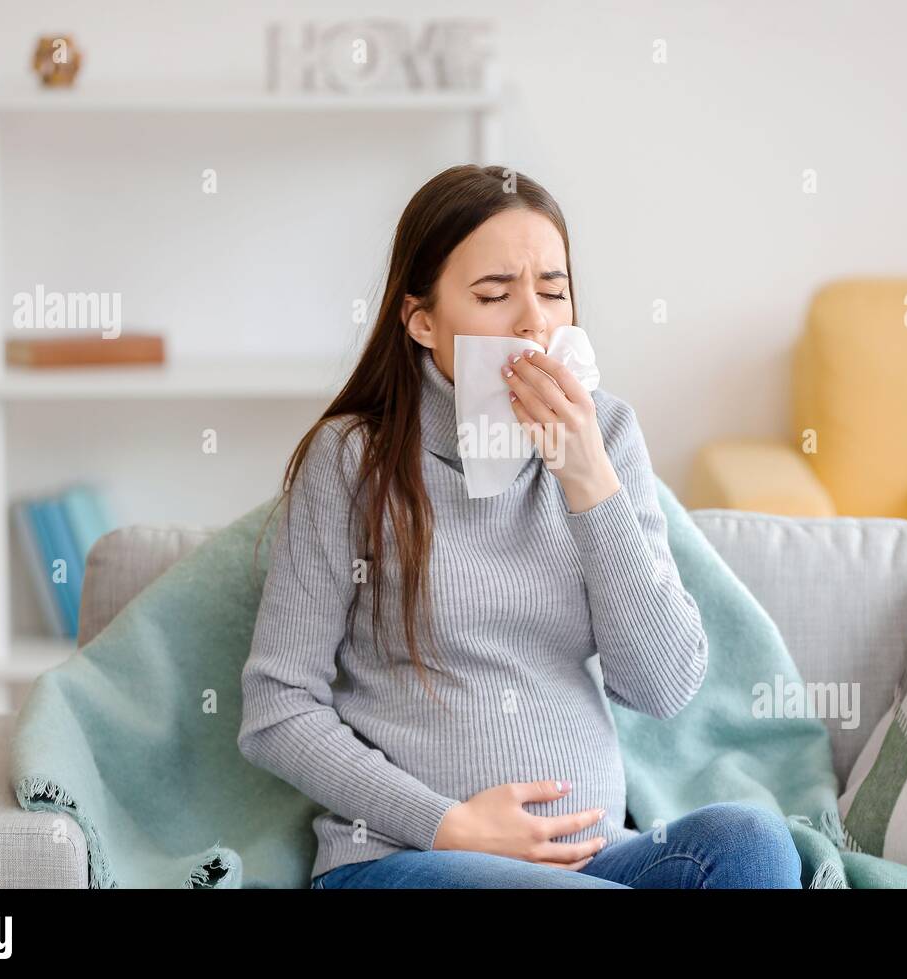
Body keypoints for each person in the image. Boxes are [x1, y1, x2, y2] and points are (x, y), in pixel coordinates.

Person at [238, 164, 802, 889]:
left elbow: (662, 686)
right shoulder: (353, 459)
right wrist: (449, 824)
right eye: (495, 294)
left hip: (599, 860)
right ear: (421, 319)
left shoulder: (610, 437)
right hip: (405, 861)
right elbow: (277, 707)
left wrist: (589, 482)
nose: (534, 320)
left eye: (553, 290)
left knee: (754, 844)